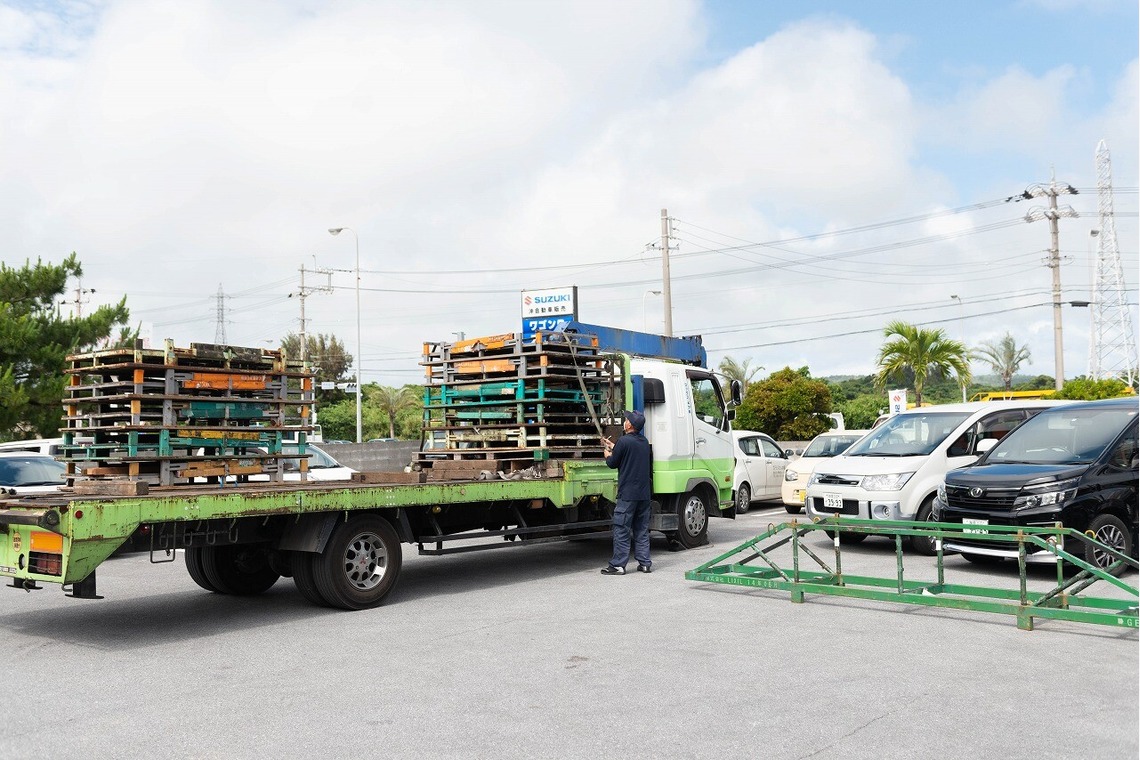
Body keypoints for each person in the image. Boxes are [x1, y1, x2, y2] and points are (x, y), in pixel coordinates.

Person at [601, 409, 652, 575]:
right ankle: (645, 564)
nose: (625, 420)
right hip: (644, 495)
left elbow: (613, 463)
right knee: (641, 529)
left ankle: (618, 565)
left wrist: (607, 453)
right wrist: (614, 446)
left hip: (628, 494)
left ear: (629, 424)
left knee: (621, 528)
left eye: (627, 419)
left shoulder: (624, 441)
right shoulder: (644, 442)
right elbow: (630, 452)